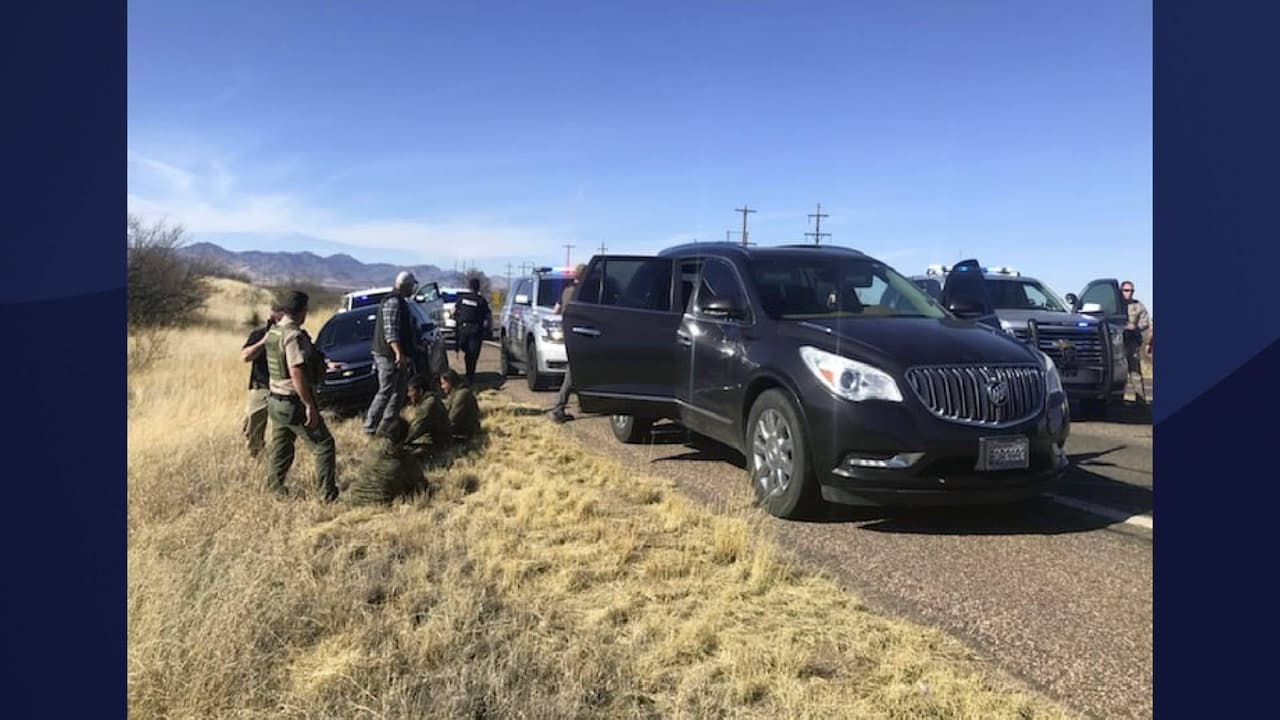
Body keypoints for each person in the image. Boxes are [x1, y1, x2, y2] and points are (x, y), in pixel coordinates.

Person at [264, 290, 339, 501]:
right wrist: (309, 405)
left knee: (281, 446)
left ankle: (275, 488)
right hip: (293, 402)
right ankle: (327, 496)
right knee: (324, 446)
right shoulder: (293, 336)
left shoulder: (274, 333)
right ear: (301, 312)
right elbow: (295, 371)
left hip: (275, 400)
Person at [364, 271, 418, 436]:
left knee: (398, 392)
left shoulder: (401, 302)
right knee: (386, 391)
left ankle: (388, 427)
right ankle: (370, 428)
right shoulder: (393, 302)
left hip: (396, 355)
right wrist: (398, 353)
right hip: (388, 355)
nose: (413, 289)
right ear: (405, 286)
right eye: (412, 286)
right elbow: (390, 332)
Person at [346, 417, 424, 506]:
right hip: (382, 503)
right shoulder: (404, 459)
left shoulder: (371, 449)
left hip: (357, 499)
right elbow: (421, 485)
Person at [240, 303, 285, 457]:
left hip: (283, 387)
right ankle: (255, 455)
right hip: (262, 386)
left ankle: (279, 457)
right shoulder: (259, 334)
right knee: (253, 425)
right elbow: (245, 357)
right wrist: (264, 341)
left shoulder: (291, 335)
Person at [549, 263, 587, 423]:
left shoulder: (566, 291)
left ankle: (582, 402)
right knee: (572, 371)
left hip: (568, 334)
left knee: (579, 369)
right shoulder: (583, 292)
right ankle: (558, 408)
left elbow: (555, 310)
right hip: (582, 335)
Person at [451, 277, 492, 386]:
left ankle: (468, 374)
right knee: (473, 355)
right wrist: (489, 329)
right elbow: (488, 316)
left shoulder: (462, 299)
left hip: (463, 330)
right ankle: (470, 377)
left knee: (466, 350)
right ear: (478, 287)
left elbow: (453, 311)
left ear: (469, 287)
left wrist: (456, 318)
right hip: (475, 331)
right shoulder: (481, 300)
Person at [1121, 280, 1151, 405]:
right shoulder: (1115, 306)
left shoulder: (1138, 306)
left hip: (1132, 342)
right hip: (1116, 342)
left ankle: (1140, 399)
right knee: (1117, 371)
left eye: (1131, 291)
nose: (1129, 293)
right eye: (1126, 290)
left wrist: (1136, 327)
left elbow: (1146, 321)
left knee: (1134, 371)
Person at [404, 374, 452, 448]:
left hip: (440, 444)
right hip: (433, 441)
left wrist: (403, 442)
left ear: (420, 391)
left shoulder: (430, 403)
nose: (408, 394)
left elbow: (418, 426)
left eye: (411, 391)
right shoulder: (426, 401)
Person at [440, 368, 482, 440]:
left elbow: (453, 420)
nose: (442, 387)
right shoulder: (454, 393)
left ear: (450, 382)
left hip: (466, 433)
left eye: (443, 384)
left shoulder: (462, 394)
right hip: (460, 430)